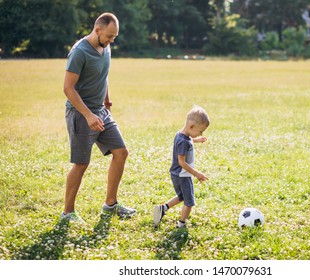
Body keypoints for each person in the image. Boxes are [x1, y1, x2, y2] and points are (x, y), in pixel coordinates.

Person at [61, 12, 136, 223]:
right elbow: (68, 88)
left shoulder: (106, 47)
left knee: (121, 152)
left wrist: (107, 104)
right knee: (81, 164)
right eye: (109, 36)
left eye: (114, 37)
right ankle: (67, 213)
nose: (112, 41)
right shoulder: (79, 52)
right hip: (80, 113)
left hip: (100, 111)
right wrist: (88, 115)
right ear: (98, 30)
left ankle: (110, 204)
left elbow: (103, 76)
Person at [154, 106, 210, 228]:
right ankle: (181, 223)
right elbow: (182, 162)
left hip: (176, 174)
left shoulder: (180, 135)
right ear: (191, 126)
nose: (200, 134)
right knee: (189, 202)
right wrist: (197, 174)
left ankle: (163, 208)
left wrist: (197, 140)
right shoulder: (184, 141)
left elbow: (188, 139)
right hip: (183, 175)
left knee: (181, 197)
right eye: (200, 131)